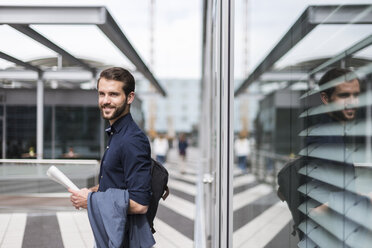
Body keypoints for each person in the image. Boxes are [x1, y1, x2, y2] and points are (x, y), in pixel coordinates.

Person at [68, 67, 154, 247]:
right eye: (102, 94)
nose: (105, 101)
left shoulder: (132, 140)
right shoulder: (117, 134)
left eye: (113, 94)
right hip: (113, 233)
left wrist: (90, 201)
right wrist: (90, 192)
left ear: (130, 97)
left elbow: (140, 203)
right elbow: (117, 182)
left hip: (124, 239)